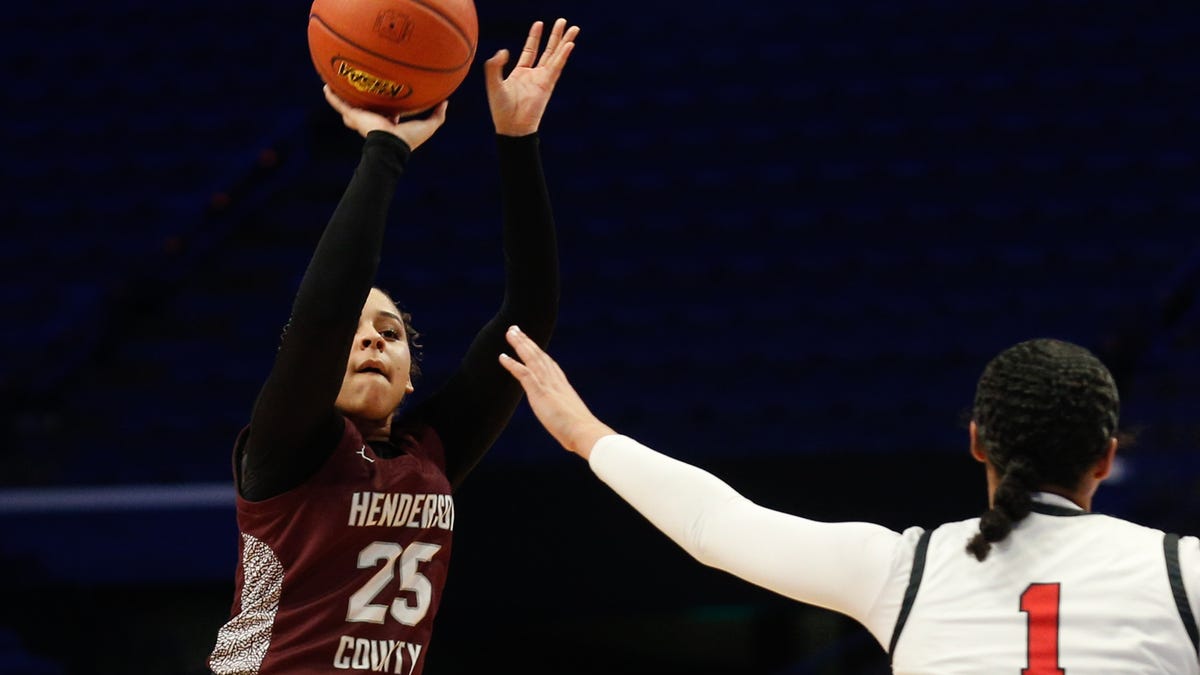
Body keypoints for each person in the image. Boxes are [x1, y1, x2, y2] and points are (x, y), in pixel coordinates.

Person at [206, 18, 579, 675]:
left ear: (411, 377)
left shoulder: (429, 452)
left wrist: (518, 141)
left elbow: (528, 315)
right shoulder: (283, 450)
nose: (372, 339)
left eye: (390, 331)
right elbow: (324, 311)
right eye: (355, 329)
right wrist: (385, 148)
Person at [498, 326, 1200, 672]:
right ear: (1107, 458)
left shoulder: (910, 567)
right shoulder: (1183, 572)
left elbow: (715, 523)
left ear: (979, 441)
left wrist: (587, 435)